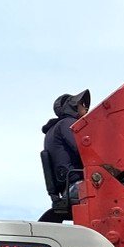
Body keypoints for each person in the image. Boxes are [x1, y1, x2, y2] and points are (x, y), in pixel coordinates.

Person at [40, 89, 90, 221]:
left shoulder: (52, 130)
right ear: (72, 106)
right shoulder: (67, 124)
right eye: (82, 104)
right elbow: (84, 149)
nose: (85, 107)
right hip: (78, 186)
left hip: (67, 189)